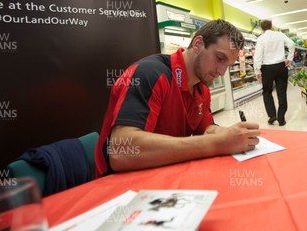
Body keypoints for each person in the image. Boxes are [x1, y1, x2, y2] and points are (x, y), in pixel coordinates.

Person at [94, 19, 261, 178]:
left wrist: (225, 133)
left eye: (228, 65)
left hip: (165, 175)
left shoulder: (202, 88)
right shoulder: (149, 74)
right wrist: (217, 143)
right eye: (219, 58)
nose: (222, 72)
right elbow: (120, 151)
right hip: (120, 186)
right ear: (198, 44)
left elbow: (205, 128)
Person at [254, 19, 295, 126]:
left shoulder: (261, 39)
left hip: (267, 68)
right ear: (271, 26)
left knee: (267, 92)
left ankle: (272, 115)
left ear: (261, 28)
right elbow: (292, 44)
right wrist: (289, 58)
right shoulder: (280, 35)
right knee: (281, 92)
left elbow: (258, 56)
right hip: (281, 66)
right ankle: (281, 118)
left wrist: (257, 71)